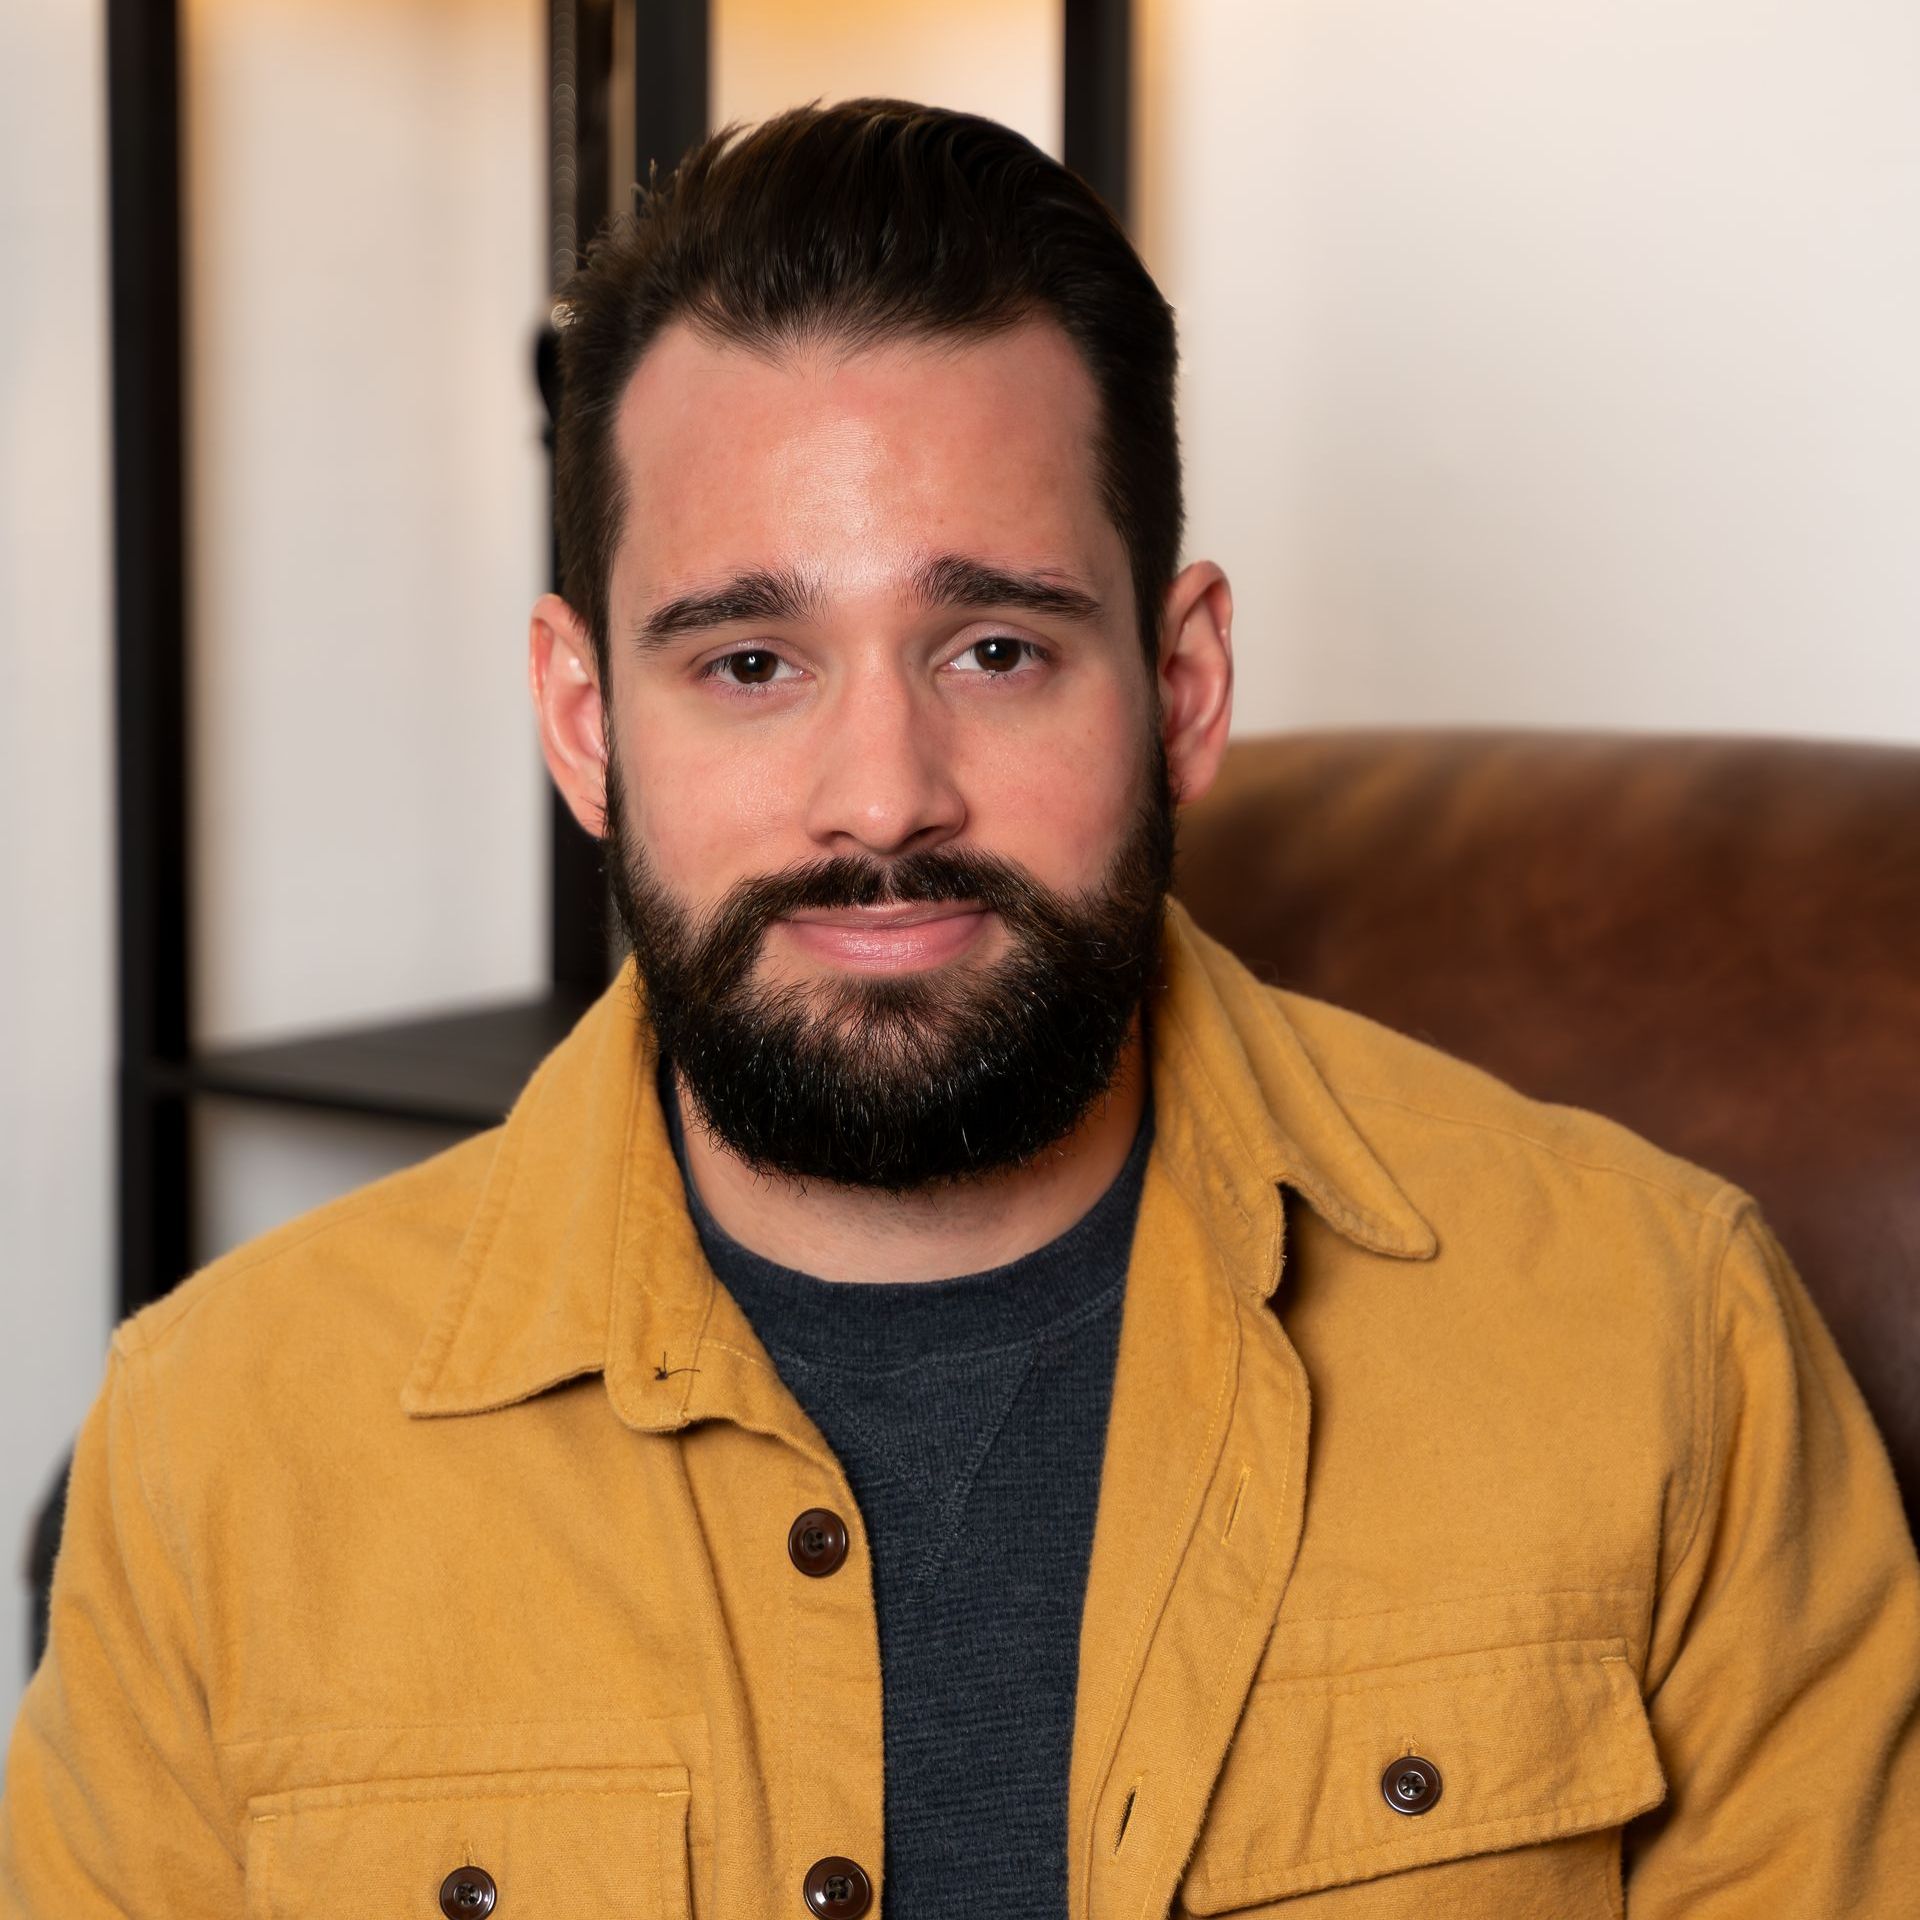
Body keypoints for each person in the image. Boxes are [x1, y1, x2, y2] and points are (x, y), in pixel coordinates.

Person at [3, 99, 1915, 1920]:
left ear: (1177, 687)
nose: (885, 793)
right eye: (751, 661)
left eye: (994, 648)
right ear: (589, 726)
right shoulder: (225, 1448)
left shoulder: (1665, 1341)